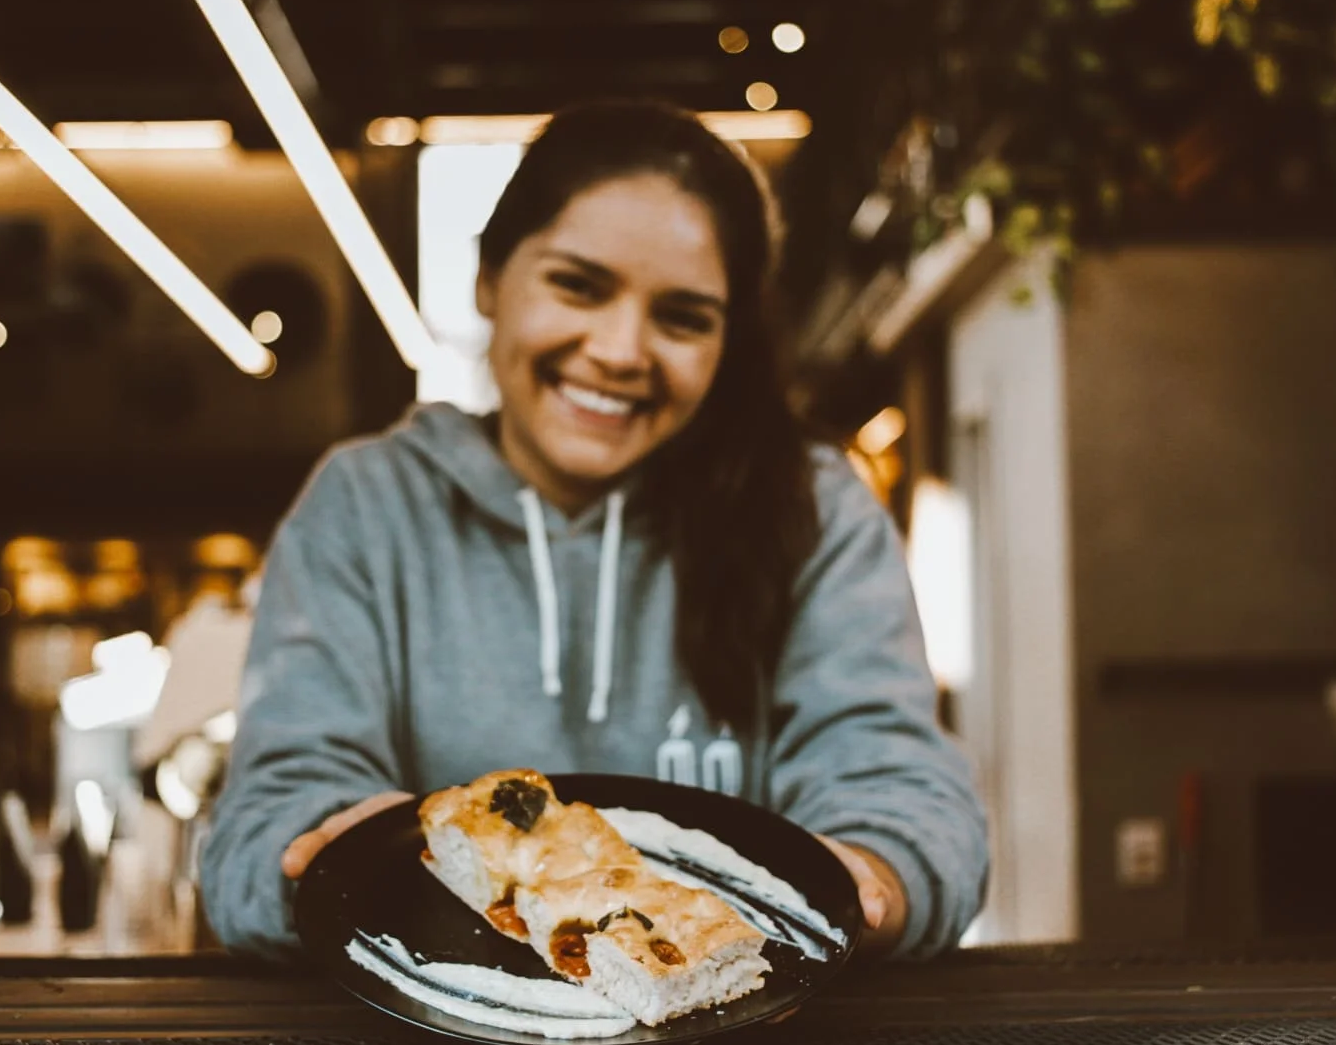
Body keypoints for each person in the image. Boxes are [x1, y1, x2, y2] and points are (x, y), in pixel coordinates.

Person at [204, 100, 987, 959]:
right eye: (578, 286)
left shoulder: (815, 506)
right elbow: (263, 827)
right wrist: (326, 850)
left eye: (683, 317)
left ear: (729, 342)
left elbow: (898, 787)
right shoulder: (366, 505)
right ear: (490, 279)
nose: (620, 350)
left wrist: (872, 872)